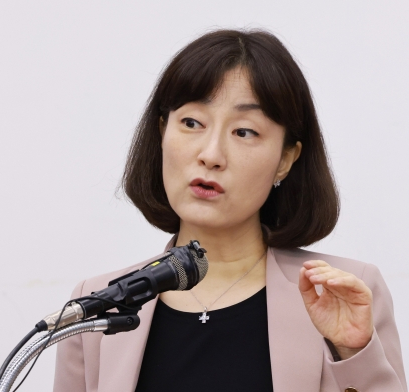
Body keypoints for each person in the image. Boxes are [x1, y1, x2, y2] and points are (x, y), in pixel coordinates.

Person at [52, 28, 406, 392]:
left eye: (244, 132)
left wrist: (353, 351)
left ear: (285, 158)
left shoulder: (342, 292)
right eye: (192, 123)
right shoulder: (98, 306)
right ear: (162, 131)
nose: (211, 155)